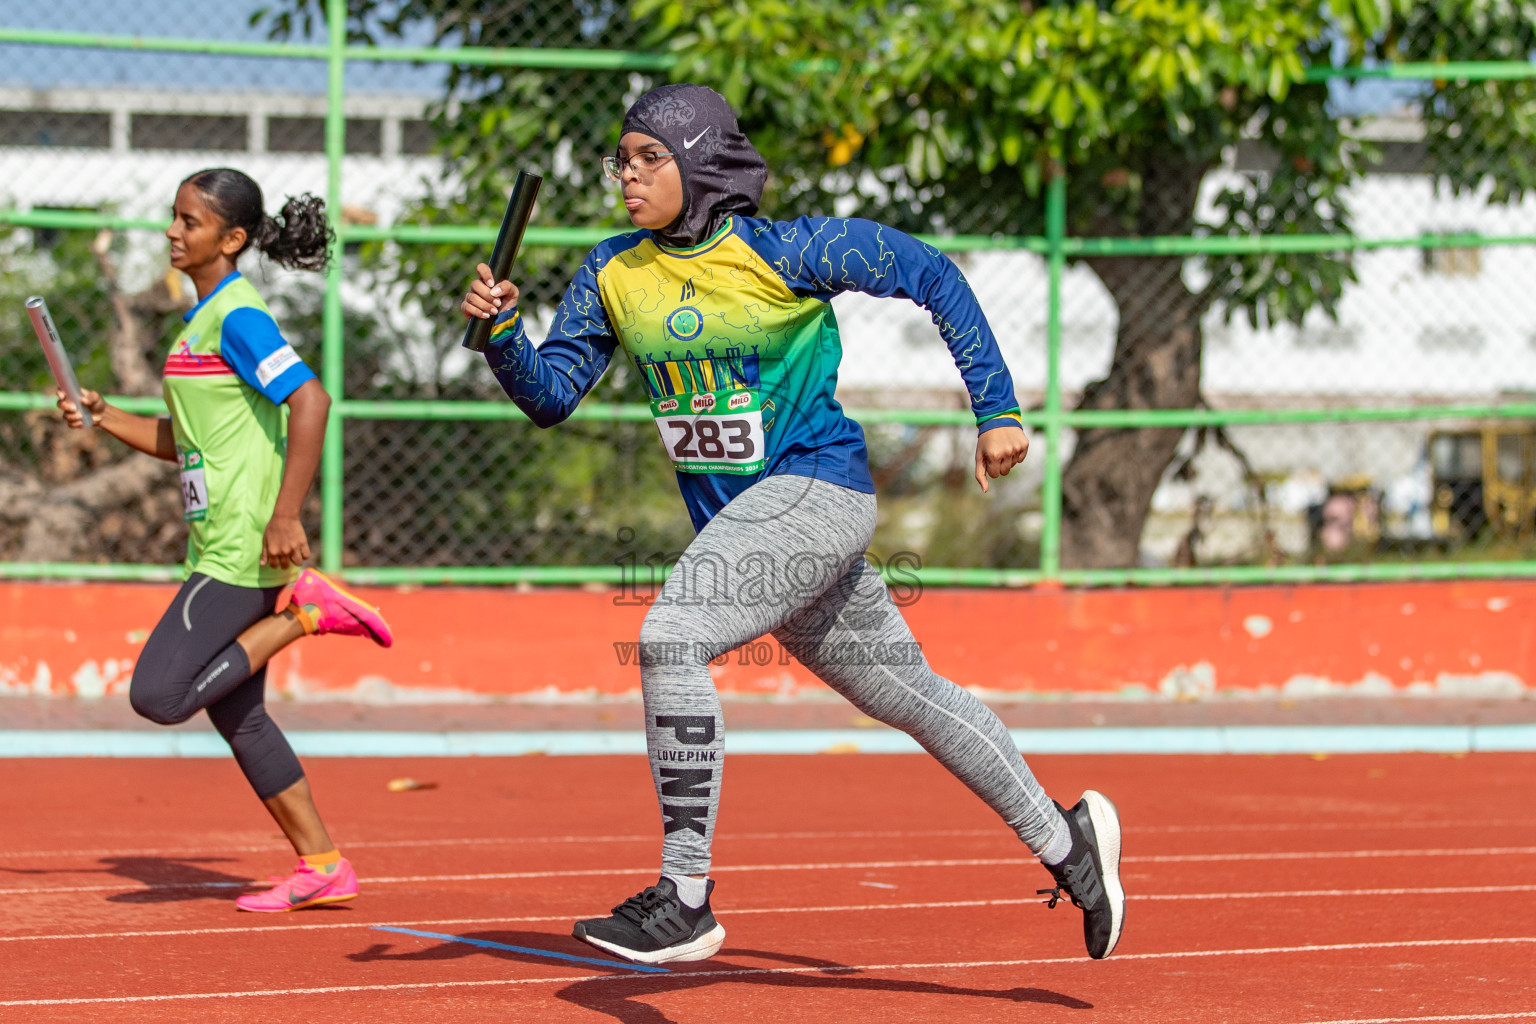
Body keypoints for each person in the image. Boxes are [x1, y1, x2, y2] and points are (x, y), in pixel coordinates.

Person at [460, 84, 1125, 965]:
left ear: (698, 162)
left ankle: (685, 897)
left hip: (818, 493)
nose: (626, 175)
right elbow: (551, 398)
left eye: (648, 158)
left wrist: (996, 410)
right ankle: (1069, 844)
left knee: (670, 637)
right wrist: (506, 334)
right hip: (752, 533)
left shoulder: (792, 248)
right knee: (915, 699)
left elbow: (932, 271)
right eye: (620, 159)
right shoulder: (612, 273)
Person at [57, 167, 394, 913]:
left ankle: (305, 616)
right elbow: (189, 439)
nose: (173, 233)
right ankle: (324, 865)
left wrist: (286, 516)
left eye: (189, 222)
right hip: (220, 539)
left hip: (245, 545)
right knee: (240, 716)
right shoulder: (203, 320)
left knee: (159, 695)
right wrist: (106, 416)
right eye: (173, 218)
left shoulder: (239, 317)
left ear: (231, 239)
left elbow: (310, 399)